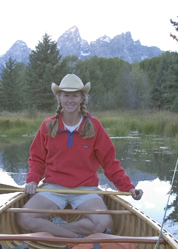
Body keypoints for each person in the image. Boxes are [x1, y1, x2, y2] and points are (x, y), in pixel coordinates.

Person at [17, 74, 143, 238]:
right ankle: (74, 236)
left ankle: (61, 227)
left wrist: (129, 187)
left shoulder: (94, 126)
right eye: (66, 95)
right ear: (59, 97)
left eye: (75, 95)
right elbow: (37, 158)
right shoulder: (47, 125)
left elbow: (110, 163)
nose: (70, 100)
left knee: (105, 224)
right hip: (54, 187)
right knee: (23, 217)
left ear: (82, 98)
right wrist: (32, 180)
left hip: (85, 189)